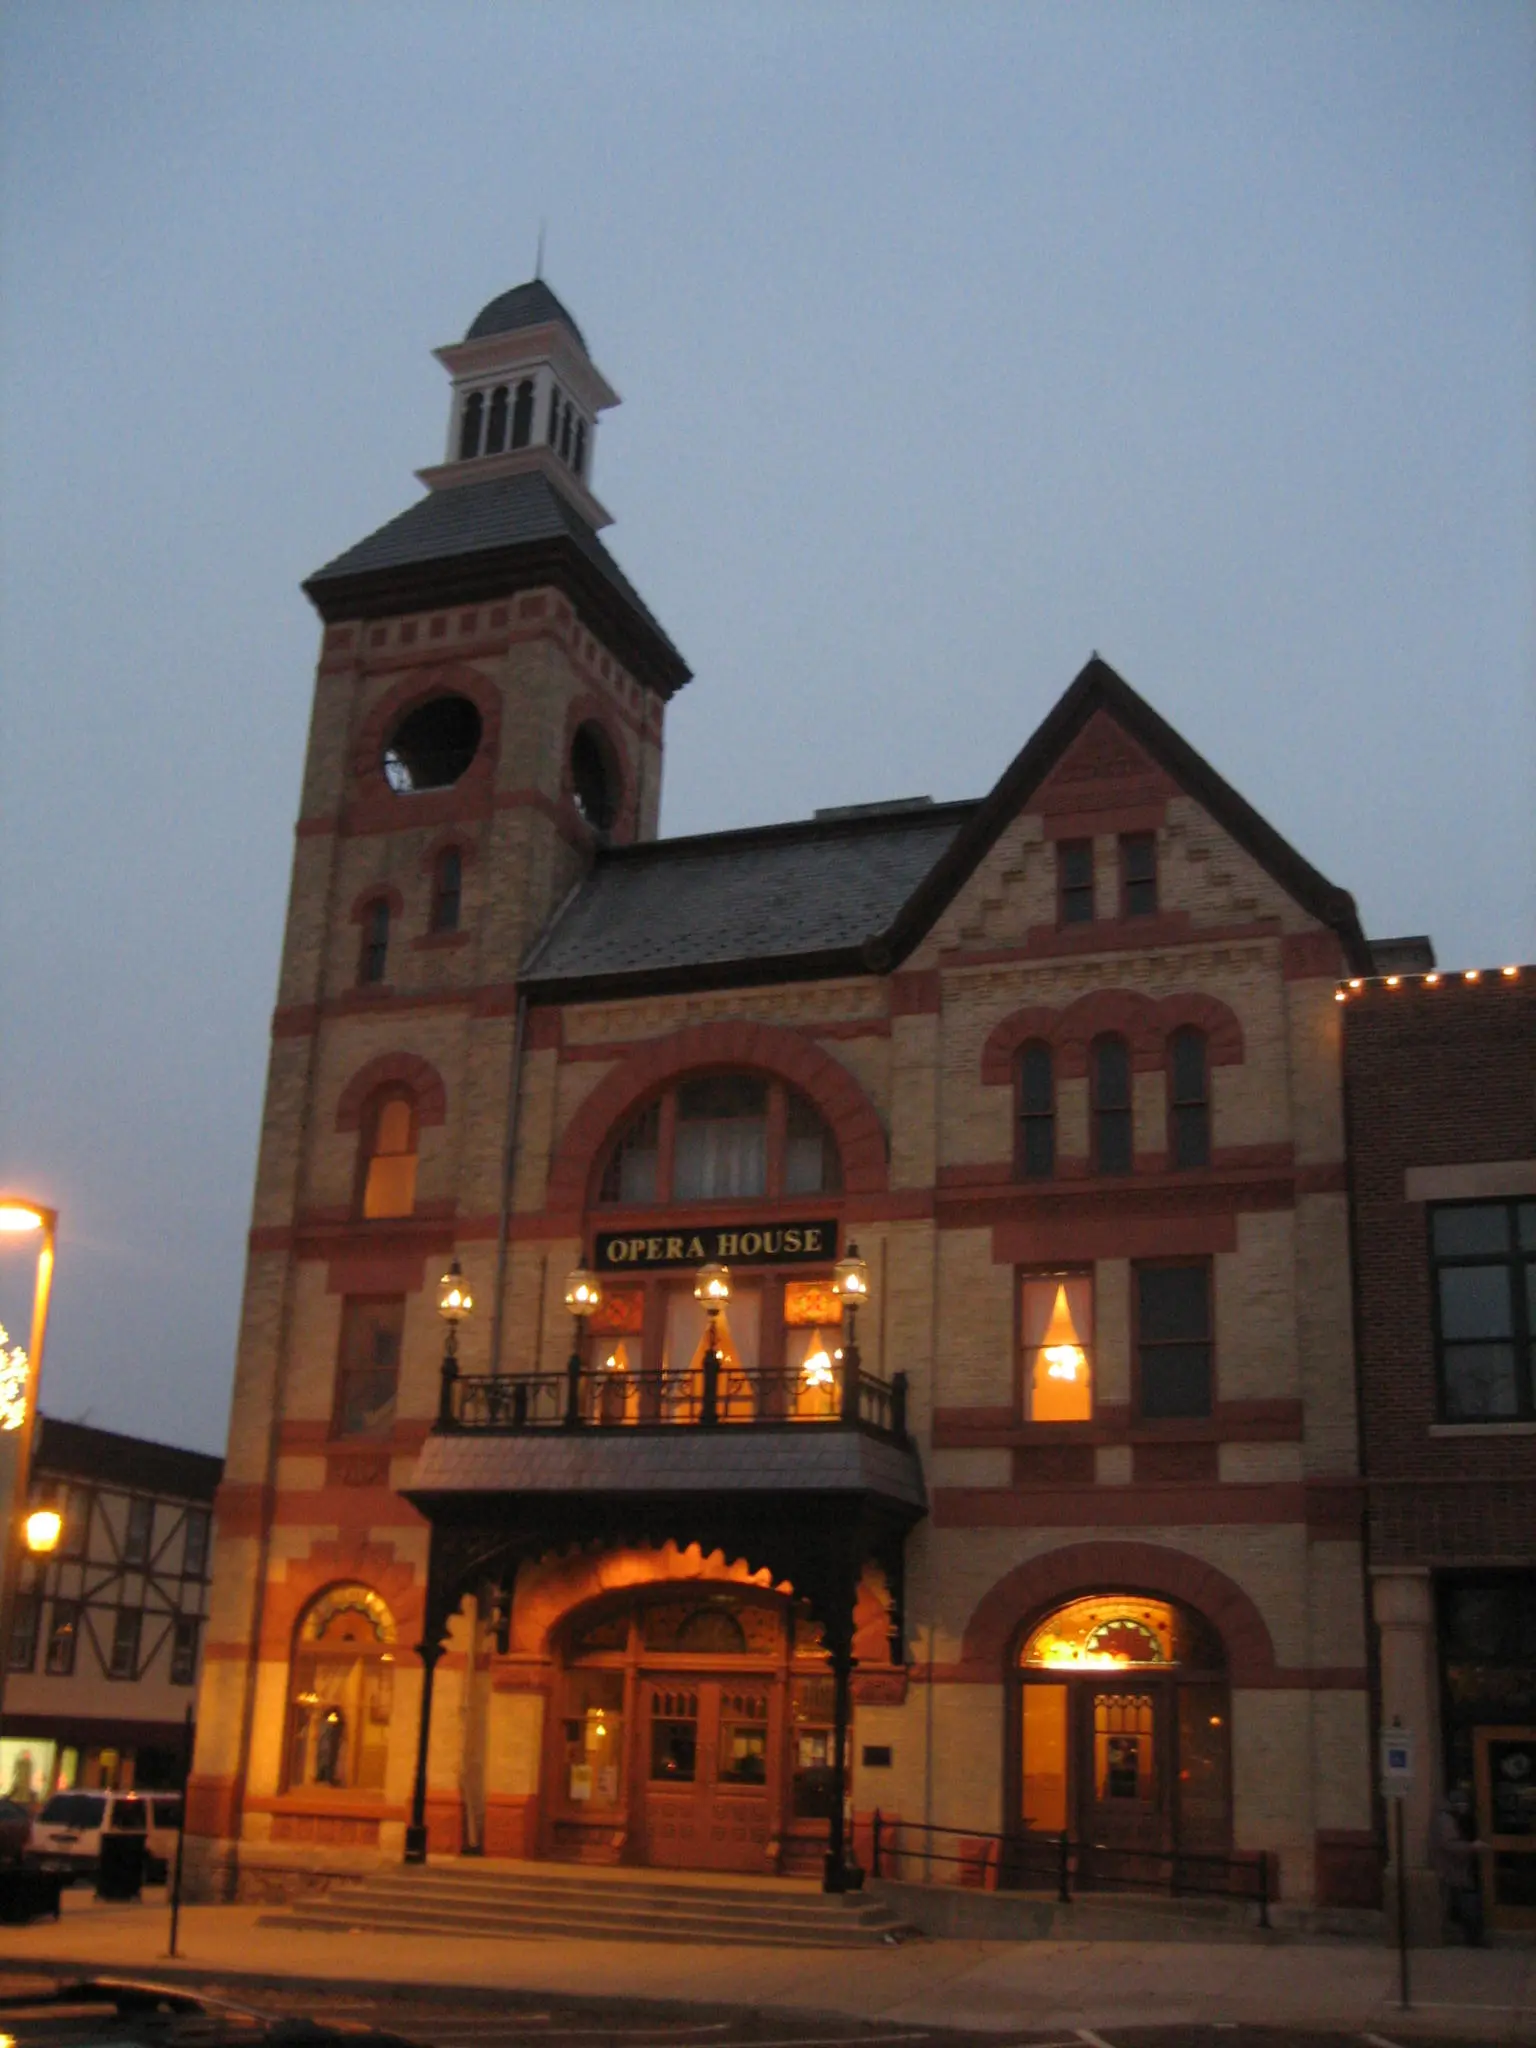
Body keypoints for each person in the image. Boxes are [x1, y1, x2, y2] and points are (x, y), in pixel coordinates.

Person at [1431, 1787, 1485, 1946]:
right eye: (1464, 1805)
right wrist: (1472, 1847)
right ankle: (1471, 1939)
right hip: (1453, 1870)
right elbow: (1449, 1845)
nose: (1466, 1809)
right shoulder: (1446, 1820)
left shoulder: (1447, 1817)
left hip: (1454, 1869)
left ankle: (1466, 1937)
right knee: (1465, 1904)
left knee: (1458, 1904)